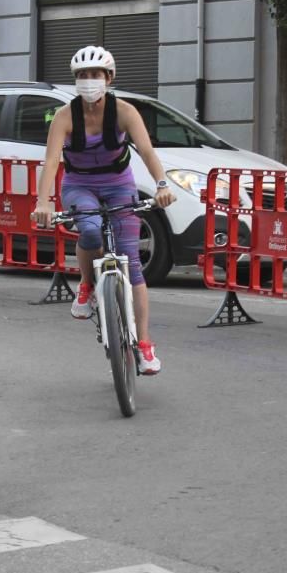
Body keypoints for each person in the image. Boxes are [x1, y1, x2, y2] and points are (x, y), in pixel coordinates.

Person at [32, 45, 176, 375]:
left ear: (109, 78)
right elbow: (52, 161)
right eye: (82, 75)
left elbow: (147, 151)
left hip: (118, 184)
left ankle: (144, 342)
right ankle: (86, 286)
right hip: (79, 185)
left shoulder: (125, 111)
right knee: (91, 228)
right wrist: (43, 203)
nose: (88, 81)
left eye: (95, 75)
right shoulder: (65, 116)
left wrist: (162, 184)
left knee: (133, 264)